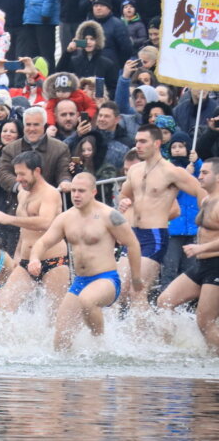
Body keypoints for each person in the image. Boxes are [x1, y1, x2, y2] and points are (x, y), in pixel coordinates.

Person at [29, 173, 143, 350]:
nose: (76, 195)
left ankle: (100, 345)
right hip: (80, 281)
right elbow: (43, 242)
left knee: (87, 300)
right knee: (60, 343)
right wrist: (34, 258)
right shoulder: (66, 218)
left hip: (106, 279)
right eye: (73, 190)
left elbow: (133, 244)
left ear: (93, 192)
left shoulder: (109, 215)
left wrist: (136, 277)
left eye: (81, 191)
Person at [118, 125, 206, 307]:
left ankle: (148, 327)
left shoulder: (171, 171)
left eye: (143, 141)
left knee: (137, 291)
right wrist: (124, 202)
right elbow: (124, 194)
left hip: (154, 235)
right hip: (132, 235)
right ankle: (124, 327)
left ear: (157, 143)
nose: (138, 145)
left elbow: (201, 191)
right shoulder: (135, 170)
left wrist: (206, 220)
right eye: (136, 141)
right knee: (118, 291)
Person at [0, 151, 69, 312]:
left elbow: (46, 222)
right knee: (3, 307)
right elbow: (24, 230)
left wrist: (9, 219)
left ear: (37, 171)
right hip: (25, 261)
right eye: (16, 174)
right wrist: (18, 254)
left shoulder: (50, 193)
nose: (18, 179)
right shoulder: (22, 194)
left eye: (22, 174)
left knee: (54, 314)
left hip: (52, 261)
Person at [156, 157, 219, 352]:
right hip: (200, 265)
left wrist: (201, 248)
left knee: (205, 322)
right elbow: (185, 181)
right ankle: (171, 350)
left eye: (205, 173)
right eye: (200, 172)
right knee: (165, 301)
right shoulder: (206, 199)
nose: (200, 176)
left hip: (216, 266)